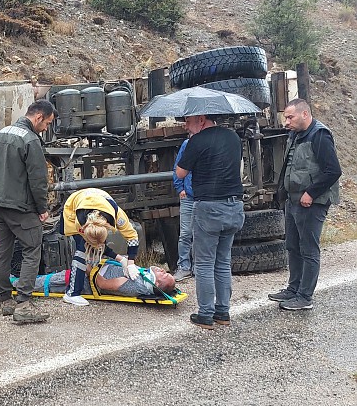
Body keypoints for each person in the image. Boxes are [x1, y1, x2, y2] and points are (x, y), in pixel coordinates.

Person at [0, 99, 57, 323]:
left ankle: (5, 300)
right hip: (20, 207)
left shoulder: (0, 134)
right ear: (38, 117)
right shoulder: (30, 140)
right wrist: (42, 208)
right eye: (47, 123)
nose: (46, 128)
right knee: (32, 249)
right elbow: (38, 179)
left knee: (3, 251)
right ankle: (24, 304)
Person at [269, 99, 341, 311]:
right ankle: (293, 289)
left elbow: (333, 170)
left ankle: (305, 297)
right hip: (293, 200)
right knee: (293, 245)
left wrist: (311, 192)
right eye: (286, 118)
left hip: (312, 202)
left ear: (305, 114)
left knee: (309, 249)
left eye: (290, 117)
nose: (286, 122)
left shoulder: (320, 135)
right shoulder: (296, 134)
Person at [176, 114, 245, 330]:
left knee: (204, 263)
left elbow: (180, 172)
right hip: (234, 207)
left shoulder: (197, 141)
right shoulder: (233, 137)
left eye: (188, 121)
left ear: (202, 120)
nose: (186, 126)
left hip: (209, 208)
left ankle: (205, 314)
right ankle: (223, 312)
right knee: (223, 261)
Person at [60, 188, 140, 306]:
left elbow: (132, 235)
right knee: (83, 249)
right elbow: (93, 244)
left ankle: (88, 270)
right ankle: (72, 293)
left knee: (94, 246)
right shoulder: (80, 222)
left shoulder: (117, 214)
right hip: (73, 208)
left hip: (98, 202)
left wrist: (130, 261)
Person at [15, 263, 175, 298]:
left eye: (165, 275)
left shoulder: (135, 285)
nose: (163, 271)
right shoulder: (142, 276)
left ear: (158, 284)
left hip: (82, 280)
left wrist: (88, 268)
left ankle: (10, 283)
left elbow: (102, 284)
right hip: (93, 268)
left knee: (44, 282)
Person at [172, 133, 194, 282]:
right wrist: (180, 189)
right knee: (185, 234)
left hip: (203, 196)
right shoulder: (187, 144)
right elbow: (178, 168)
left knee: (202, 235)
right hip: (189, 196)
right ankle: (184, 267)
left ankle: (200, 267)